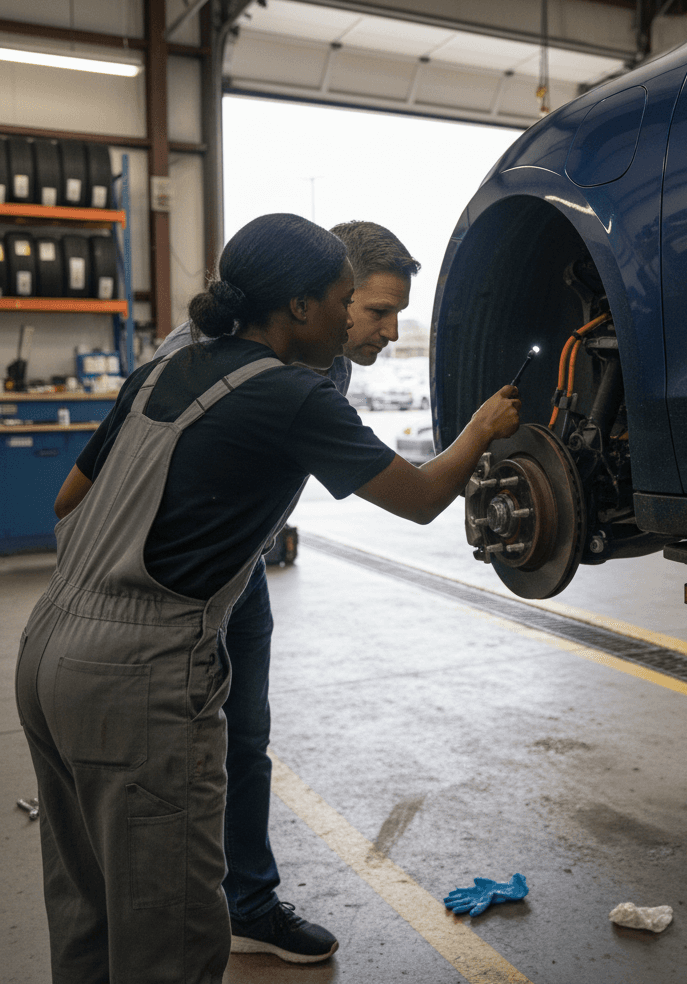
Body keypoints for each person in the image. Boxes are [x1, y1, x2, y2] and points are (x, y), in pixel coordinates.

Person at [15, 213, 520, 984]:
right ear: (300, 308)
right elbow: (419, 498)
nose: (361, 320)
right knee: (168, 943)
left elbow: (66, 499)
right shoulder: (293, 393)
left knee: (88, 915)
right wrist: (481, 428)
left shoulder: (163, 370)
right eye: (350, 301)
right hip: (139, 666)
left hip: (48, 642)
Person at [146, 221, 420, 964]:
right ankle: (172, 915)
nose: (390, 332)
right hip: (172, 586)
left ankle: (247, 904)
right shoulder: (198, 361)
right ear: (312, 302)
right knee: (173, 755)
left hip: (242, 572)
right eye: (371, 310)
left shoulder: (328, 360)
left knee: (246, 740)